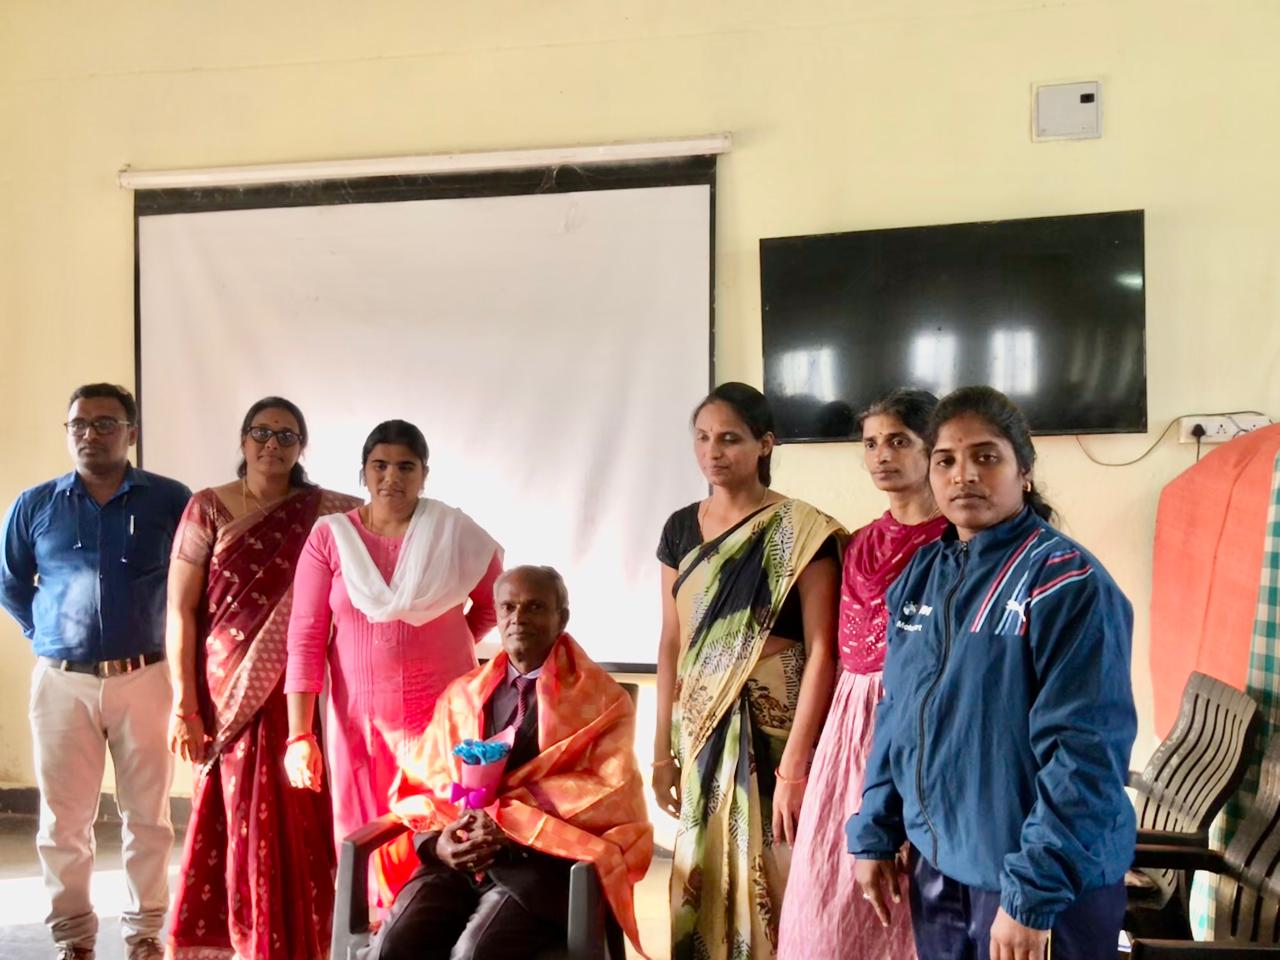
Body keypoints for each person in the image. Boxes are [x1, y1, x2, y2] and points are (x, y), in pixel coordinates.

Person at [847, 386, 1137, 960]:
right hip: (942, 868)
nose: (964, 475)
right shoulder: (922, 575)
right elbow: (898, 712)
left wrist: (1033, 895)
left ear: (1023, 471)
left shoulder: (1066, 583)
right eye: (946, 460)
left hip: (1044, 884)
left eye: (987, 456)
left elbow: (1085, 752)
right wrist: (876, 831)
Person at [367, 565, 653, 960]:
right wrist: (438, 844)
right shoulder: (461, 696)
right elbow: (425, 786)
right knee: (395, 946)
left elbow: (611, 794)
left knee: (475, 954)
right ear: (498, 617)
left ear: (561, 618)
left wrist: (512, 823)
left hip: (540, 868)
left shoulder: (602, 702)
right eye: (509, 607)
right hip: (458, 859)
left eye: (535, 606)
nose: (519, 618)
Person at [165, 397, 360, 960]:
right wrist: (185, 704)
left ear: (302, 447)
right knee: (236, 814)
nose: (272, 444)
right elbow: (180, 609)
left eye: (286, 435)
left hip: (299, 690)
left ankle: (305, 937)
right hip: (227, 690)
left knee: (300, 811)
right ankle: (244, 937)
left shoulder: (327, 512)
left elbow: (388, 524)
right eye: (261, 432)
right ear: (243, 440)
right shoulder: (207, 508)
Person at [653, 381, 844, 960]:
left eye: (731, 438)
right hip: (704, 726)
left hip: (779, 723)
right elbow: (670, 642)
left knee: (781, 872)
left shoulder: (803, 530)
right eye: (704, 438)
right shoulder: (681, 528)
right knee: (703, 868)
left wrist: (794, 765)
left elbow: (823, 651)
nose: (714, 451)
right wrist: (661, 751)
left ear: (765, 444)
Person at [0, 383, 191, 960]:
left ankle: (143, 935)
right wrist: (49, 638)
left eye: (105, 424)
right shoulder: (36, 504)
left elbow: (193, 584)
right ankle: (74, 940)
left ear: (131, 432)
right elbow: (11, 584)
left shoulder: (168, 499)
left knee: (149, 817)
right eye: (79, 424)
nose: (90, 434)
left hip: (146, 677)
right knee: (63, 823)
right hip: (61, 683)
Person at [283, 418, 503, 905]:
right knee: (364, 837)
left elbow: (495, 603)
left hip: (442, 719)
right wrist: (300, 735)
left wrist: (450, 642)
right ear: (363, 472)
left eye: (406, 466)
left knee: (443, 831)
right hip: (360, 724)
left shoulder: (453, 532)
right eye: (380, 465)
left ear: (424, 474)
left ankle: (434, 934)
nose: (392, 478)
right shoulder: (330, 538)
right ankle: (373, 942)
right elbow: (305, 637)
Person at [778, 388, 946, 959]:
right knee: (823, 900)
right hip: (848, 729)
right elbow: (835, 656)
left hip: (919, 726)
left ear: (932, 448)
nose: (881, 455)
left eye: (898, 441)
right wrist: (797, 765)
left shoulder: (955, 542)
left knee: (904, 903)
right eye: (871, 443)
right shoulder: (859, 544)